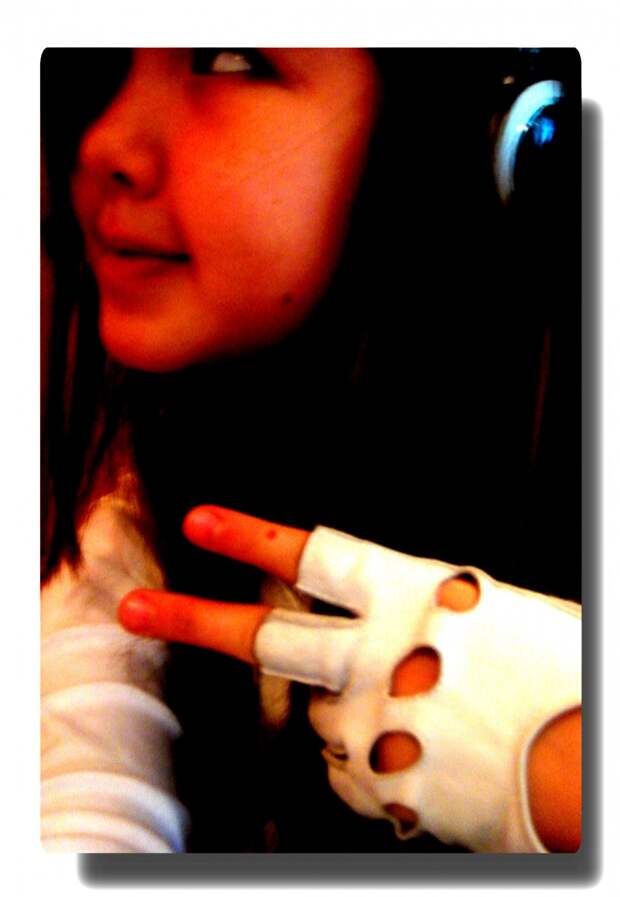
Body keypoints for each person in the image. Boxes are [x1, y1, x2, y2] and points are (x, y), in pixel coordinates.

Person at [41, 48, 582, 853]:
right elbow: (83, 806)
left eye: (230, 58)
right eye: (104, 57)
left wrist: (563, 753)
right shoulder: (149, 533)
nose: (104, 144)